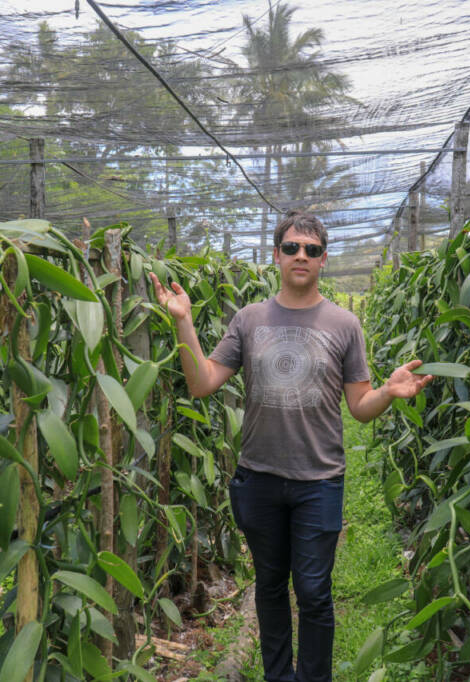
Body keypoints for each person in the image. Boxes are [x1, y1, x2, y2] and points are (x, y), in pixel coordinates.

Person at [149, 211, 432, 682]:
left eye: (312, 249)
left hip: (319, 480)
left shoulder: (345, 324)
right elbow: (201, 383)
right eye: (292, 247)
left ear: (324, 260)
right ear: (276, 255)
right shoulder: (250, 319)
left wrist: (388, 392)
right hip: (257, 478)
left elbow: (359, 406)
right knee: (270, 586)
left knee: (315, 591)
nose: (302, 255)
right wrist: (184, 324)